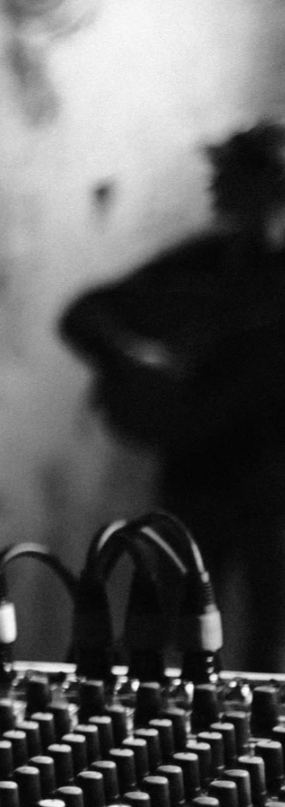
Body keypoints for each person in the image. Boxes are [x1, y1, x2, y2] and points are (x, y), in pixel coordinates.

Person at [59, 121, 285, 671]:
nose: (221, 190)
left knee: (270, 639)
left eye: (236, 178)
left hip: (272, 484)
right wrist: (138, 359)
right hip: (197, 477)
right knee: (172, 632)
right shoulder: (201, 262)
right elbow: (85, 314)